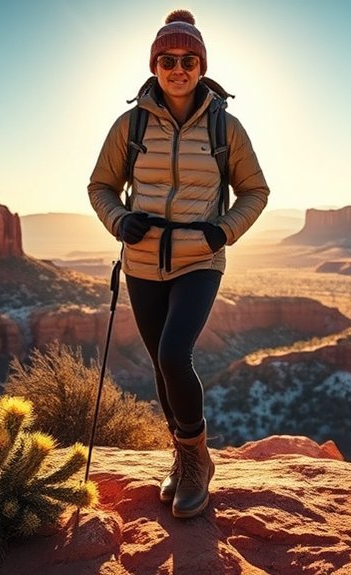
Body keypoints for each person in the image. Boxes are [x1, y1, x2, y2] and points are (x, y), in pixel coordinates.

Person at [87, 9, 269, 519]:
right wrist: (120, 220)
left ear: (201, 65)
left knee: (173, 355)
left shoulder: (225, 127)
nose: (178, 68)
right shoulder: (131, 125)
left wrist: (223, 230)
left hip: (199, 260)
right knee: (160, 366)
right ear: (155, 65)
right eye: (167, 60)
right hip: (142, 261)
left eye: (188, 60)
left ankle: (195, 462)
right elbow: (100, 186)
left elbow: (255, 191)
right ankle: (185, 455)